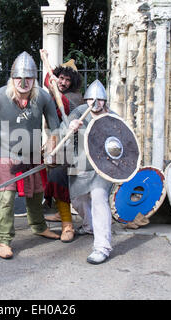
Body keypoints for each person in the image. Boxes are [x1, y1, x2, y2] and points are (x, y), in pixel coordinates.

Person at [0, 51, 61, 259]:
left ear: (34, 79)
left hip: (32, 154)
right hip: (5, 153)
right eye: (19, 78)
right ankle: (3, 239)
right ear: (12, 78)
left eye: (28, 78)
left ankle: (39, 226)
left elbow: (54, 128)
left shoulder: (44, 97)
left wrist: (51, 151)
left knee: (37, 193)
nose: (23, 82)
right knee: (6, 197)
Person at [63, 79, 114, 264]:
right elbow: (61, 134)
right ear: (86, 100)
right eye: (92, 99)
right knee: (78, 200)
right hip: (81, 164)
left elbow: (123, 144)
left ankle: (102, 247)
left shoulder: (112, 117)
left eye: (100, 99)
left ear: (105, 101)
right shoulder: (78, 113)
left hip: (102, 168)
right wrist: (70, 128)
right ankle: (90, 226)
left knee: (99, 197)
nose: (95, 103)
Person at [40, 50, 84, 242]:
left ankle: (68, 226)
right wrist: (46, 62)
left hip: (71, 147)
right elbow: (49, 85)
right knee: (55, 177)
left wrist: (47, 64)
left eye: (67, 80)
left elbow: (63, 104)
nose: (63, 82)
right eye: (61, 78)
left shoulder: (74, 98)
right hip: (55, 142)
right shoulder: (55, 93)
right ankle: (61, 212)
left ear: (72, 83)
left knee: (60, 179)